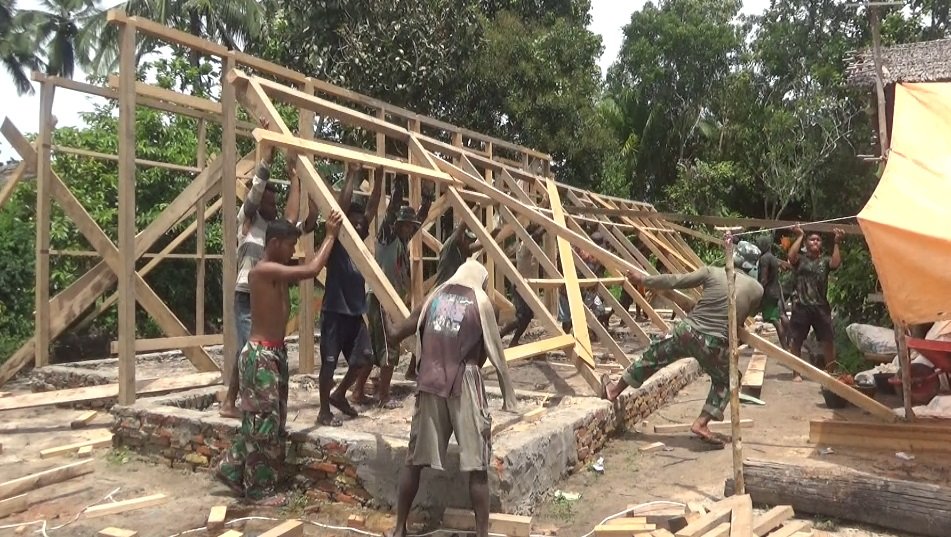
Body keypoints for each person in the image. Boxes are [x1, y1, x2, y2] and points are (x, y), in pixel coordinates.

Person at [380, 259, 518, 537]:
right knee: (477, 466)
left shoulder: (436, 295)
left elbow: (418, 334)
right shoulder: (479, 300)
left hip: (429, 380)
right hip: (464, 381)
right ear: (481, 280)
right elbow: (493, 351)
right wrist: (508, 395)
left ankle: (399, 528)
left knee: (414, 460)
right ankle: (481, 534)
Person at [216, 212, 343, 506]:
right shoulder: (263, 271)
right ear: (274, 243)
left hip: (274, 353)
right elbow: (312, 270)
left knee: (264, 419)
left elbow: (306, 262)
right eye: (289, 245)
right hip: (261, 355)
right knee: (264, 423)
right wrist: (330, 236)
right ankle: (259, 492)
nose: (292, 251)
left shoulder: (278, 269)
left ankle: (232, 468)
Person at [601, 265, 763, 447]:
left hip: (687, 331)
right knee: (728, 380)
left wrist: (642, 280)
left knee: (652, 357)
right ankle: (701, 424)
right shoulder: (757, 288)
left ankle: (614, 390)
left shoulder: (711, 271)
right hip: (714, 344)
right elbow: (739, 318)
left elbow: (675, 280)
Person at [221, 134, 318, 419]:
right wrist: (269, 152)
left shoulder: (276, 231)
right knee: (246, 349)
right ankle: (231, 401)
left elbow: (291, 214)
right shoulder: (248, 221)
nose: (273, 207)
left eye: (275, 203)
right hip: (247, 295)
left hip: (266, 295)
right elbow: (255, 190)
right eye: (269, 202)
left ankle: (255, 401)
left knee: (261, 350)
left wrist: (295, 178)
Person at [356, 178, 433, 409]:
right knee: (390, 345)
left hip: (388, 298)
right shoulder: (387, 236)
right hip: (381, 297)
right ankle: (383, 397)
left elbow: (420, 220)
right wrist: (397, 186)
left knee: (372, 349)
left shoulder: (401, 239)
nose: (410, 228)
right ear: (398, 225)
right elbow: (391, 212)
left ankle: (358, 391)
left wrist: (427, 199)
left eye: (411, 226)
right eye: (406, 225)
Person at [317, 163, 383, 425]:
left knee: (365, 357)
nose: (361, 228)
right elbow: (340, 211)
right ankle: (324, 411)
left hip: (355, 313)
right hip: (335, 311)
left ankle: (340, 394)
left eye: (363, 226)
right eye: (355, 225)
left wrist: (379, 180)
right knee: (329, 364)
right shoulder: (339, 242)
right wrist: (352, 174)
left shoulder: (360, 245)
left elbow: (371, 209)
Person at [787, 225, 844, 372]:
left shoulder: (825, 261)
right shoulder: (800, 260)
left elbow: (835, 263)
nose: (815, 242)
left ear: (821, 244)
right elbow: (791, 257)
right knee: (796, 341)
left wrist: (837, 242)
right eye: (812, 240)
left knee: (828, 340)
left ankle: (831, 371)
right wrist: (800, 236)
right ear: (806, 243)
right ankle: (796, 372)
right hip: (801, 306)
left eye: (818, 240)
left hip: (820, 306)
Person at [756, 235, 789, 350]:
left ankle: (785, 347)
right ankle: (789, 341)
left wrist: (758, 290)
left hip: (768, 292)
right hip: (775, 290)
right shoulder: (773, 258)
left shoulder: (764, 258)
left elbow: (764, 278)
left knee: (775, 320)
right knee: (780, 315)